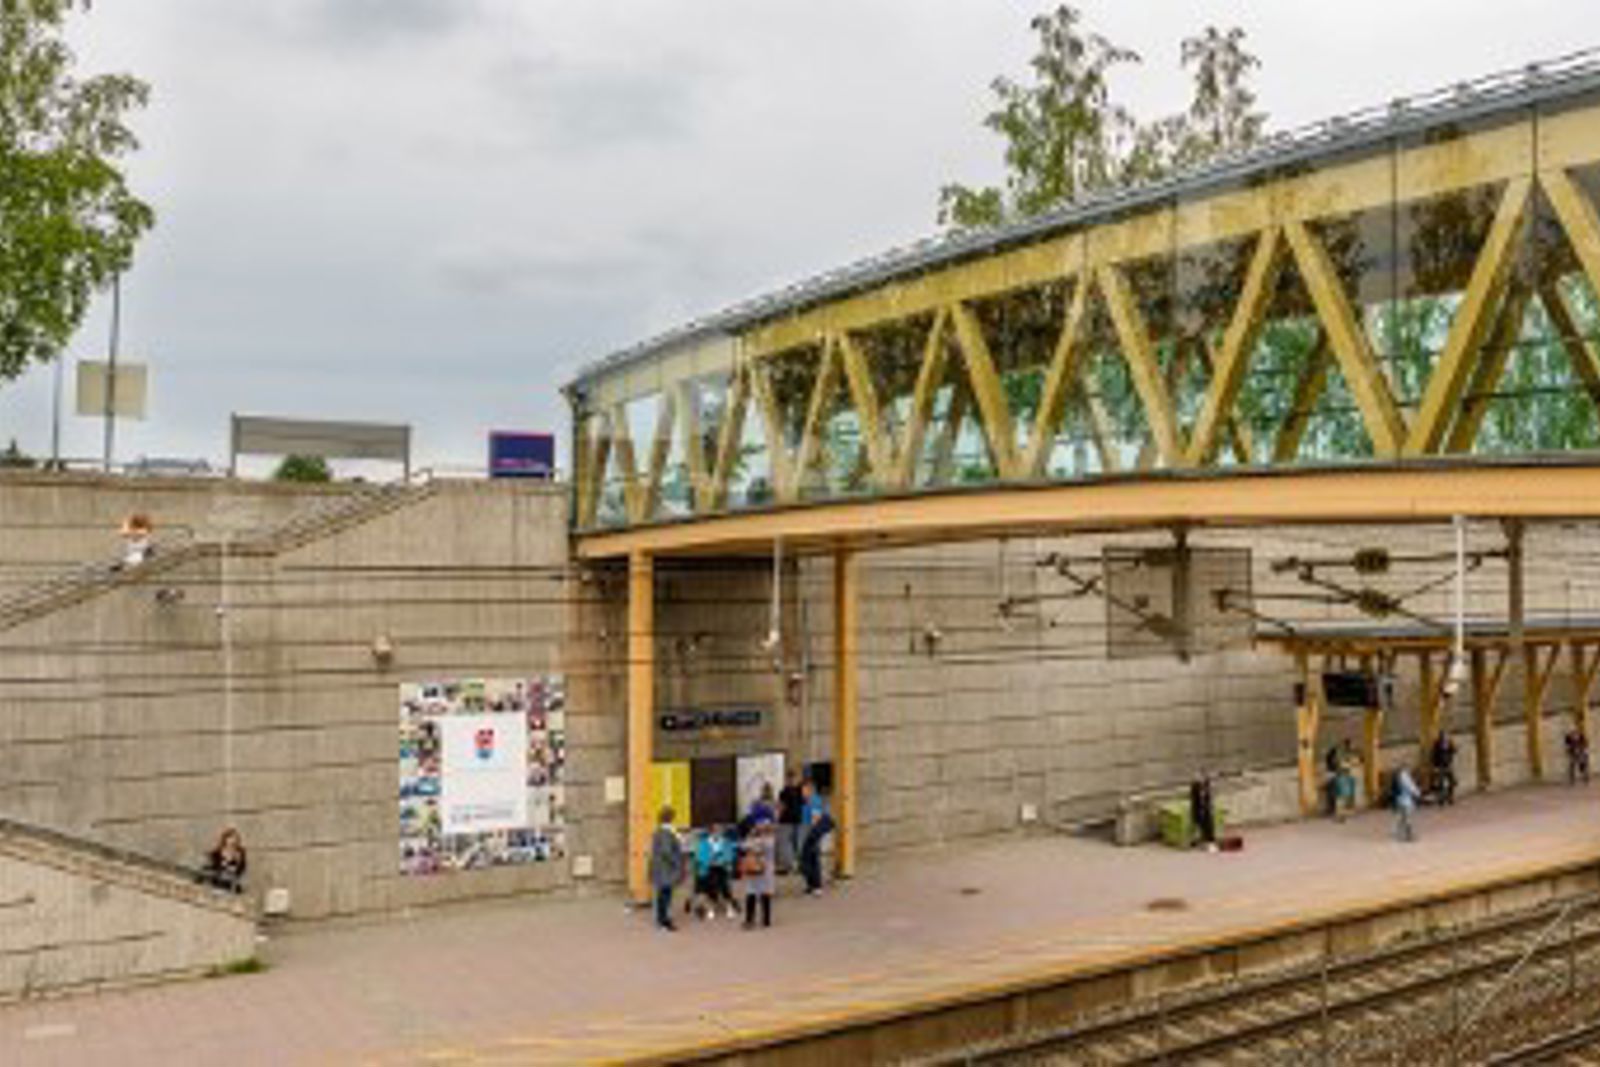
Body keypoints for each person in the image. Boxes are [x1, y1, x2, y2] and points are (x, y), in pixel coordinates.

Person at [648, 805, 685, 932]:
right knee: (665, 895)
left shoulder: (660, 830)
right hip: (666, 869)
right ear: (670, 818)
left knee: (663, 894)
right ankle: (663, 921)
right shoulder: (666, 832)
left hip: (661, 868)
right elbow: (666, 851)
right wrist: (677, 862)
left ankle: (662, 919)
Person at [798, 780, 834, 895]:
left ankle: (817, 885)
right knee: (807, 857)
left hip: (815, 832)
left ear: (810, 789)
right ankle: (811, 884)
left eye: (804, 790)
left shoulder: (814, 801)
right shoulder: (807, 802)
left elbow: (816, 819)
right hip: (811, 832)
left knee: (813, 857)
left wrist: (811, 835)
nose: (802, 792)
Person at [739, 821, 776, 929]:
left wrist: (755, 841)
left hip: (765, 870)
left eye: (763, 827)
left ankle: (766, 919)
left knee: (765, 894)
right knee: (751, 893)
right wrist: (751, 836)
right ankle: (749, 919)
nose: (760, 828)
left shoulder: (769, 840)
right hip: (753, 870)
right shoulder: (752, 838)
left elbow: (765, 848)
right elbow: (743, 847)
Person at [200, 827, 247, 893]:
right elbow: (208, 867)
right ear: (225, 839)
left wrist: (237, 861)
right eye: (230, 838)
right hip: (218, 884)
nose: (233, 841)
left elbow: (241, 870)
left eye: (235, 838)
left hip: (232, 885)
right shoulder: (217, 853)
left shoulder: (240, 853)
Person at [777, 769, 805, 874]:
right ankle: (788, 865)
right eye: (789, 779)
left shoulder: (799, 790)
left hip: (797, 820)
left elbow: (805, 802)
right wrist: (778, 818)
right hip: (786, 820)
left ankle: (799, 866)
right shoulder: (783, 792)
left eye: (793, 778)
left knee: (797, 843)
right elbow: (781, 806)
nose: (791, 780)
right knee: (787, 845)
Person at [1392, 764, 1421, 842]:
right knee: (1407, 817)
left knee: (1401, 817)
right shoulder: (1404, 776)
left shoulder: (1398, 776)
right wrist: (1417, 793)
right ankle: (1407, 835)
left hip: (1399, 799)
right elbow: (1410, 786)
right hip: (1405, 800)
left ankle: (1397, 833)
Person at [1189, 771, 1217, 851]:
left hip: (1205, 810)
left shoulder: (1206, 786)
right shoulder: (1195, 787)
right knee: (1200, 823)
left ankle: (1210, 842)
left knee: (1208, 823)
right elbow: (1195, 801)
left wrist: (1208, 807)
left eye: (1201, 777)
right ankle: (1201, 841)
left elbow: (1208, 800)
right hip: (1198, 810)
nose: (1199, 779)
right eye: (1198, 777)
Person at [1429, 731, 1458, 806]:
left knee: (1452, 781)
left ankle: (1450, 797)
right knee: (1440, 783)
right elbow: (1433, 756)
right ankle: (1441, 799)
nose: (1445, 738)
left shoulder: (1449, 743)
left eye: (1446, 737)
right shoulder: (1437, 744)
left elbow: (1454, 751)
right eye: (1443, 737)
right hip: (1440, 765)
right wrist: (1435, 766)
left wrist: (1453, 745)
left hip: (1448, 765)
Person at [1333, 741, 1358, 823]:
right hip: (1341, 776)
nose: (1352, 748)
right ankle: (1339, 816)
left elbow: (1353, 762)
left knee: (1344, 796)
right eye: (1351, 746)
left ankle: (1341, 815)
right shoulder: (1340, 754)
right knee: (1341, 797)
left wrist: (1351, 763)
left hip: (1345, 776)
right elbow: (1342, 764)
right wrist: (1350, 763)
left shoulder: (1347, 754)